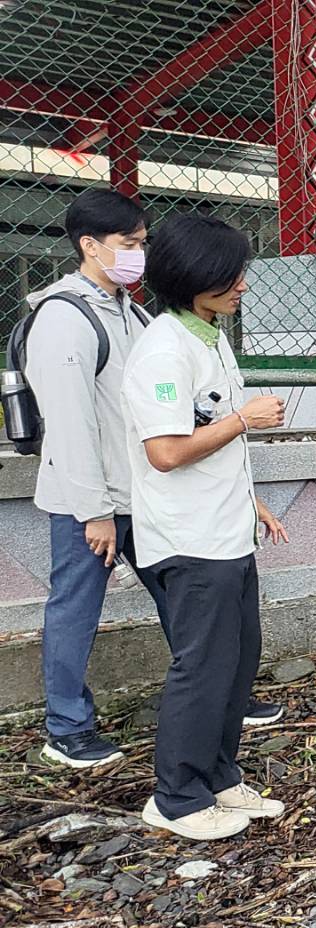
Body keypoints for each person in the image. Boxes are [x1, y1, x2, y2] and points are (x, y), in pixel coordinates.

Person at [23, 190, 279, 771]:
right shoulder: (63, 316)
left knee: (185, 602)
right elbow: (70, 424)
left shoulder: (135, 314)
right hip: (90, 497)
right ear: (89, 246)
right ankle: (66, 726)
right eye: (128, 244)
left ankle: (217, 692)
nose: (139, 254)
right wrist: (93, 511)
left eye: (143, 243)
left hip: (142, 490)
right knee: (76, 608)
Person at [123, 214, 289, 840]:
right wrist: (243, 420)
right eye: (231, 275)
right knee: (203, 667)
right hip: (190, 540)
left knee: (238, 660)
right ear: (193, 277)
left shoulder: (209, 335)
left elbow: (211, 435)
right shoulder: (164, 349)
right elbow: (165, 451)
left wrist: (253, 503)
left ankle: (219, 777)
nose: (243, 285)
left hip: (227, 532)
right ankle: (176, 796)